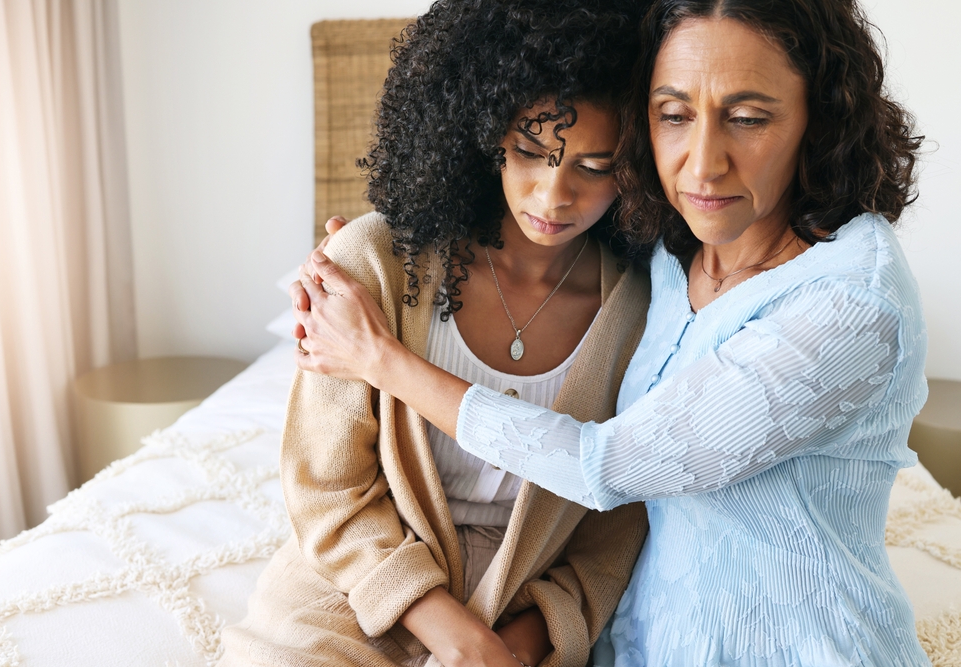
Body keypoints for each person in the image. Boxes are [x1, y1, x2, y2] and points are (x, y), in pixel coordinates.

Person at [290, 0, 931, 664]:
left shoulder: (847, 303)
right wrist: (365, 256)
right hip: (612, 639)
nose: (703, 165)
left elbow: (608, 475)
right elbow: (327, 483)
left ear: (819, 119)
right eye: (674, 115)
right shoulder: (671, 250)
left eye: (747, 118)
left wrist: (380, 358)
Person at [217, 2, 652, 667]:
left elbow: (615, 528)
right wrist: (457, 635)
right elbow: (327, 488)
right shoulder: (378, 262)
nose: (553, 194)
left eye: (593, 167)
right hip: (361, 579)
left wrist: (520, 643)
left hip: (525, 602)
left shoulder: (641, 312)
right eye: (530, 151)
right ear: (485, 133)